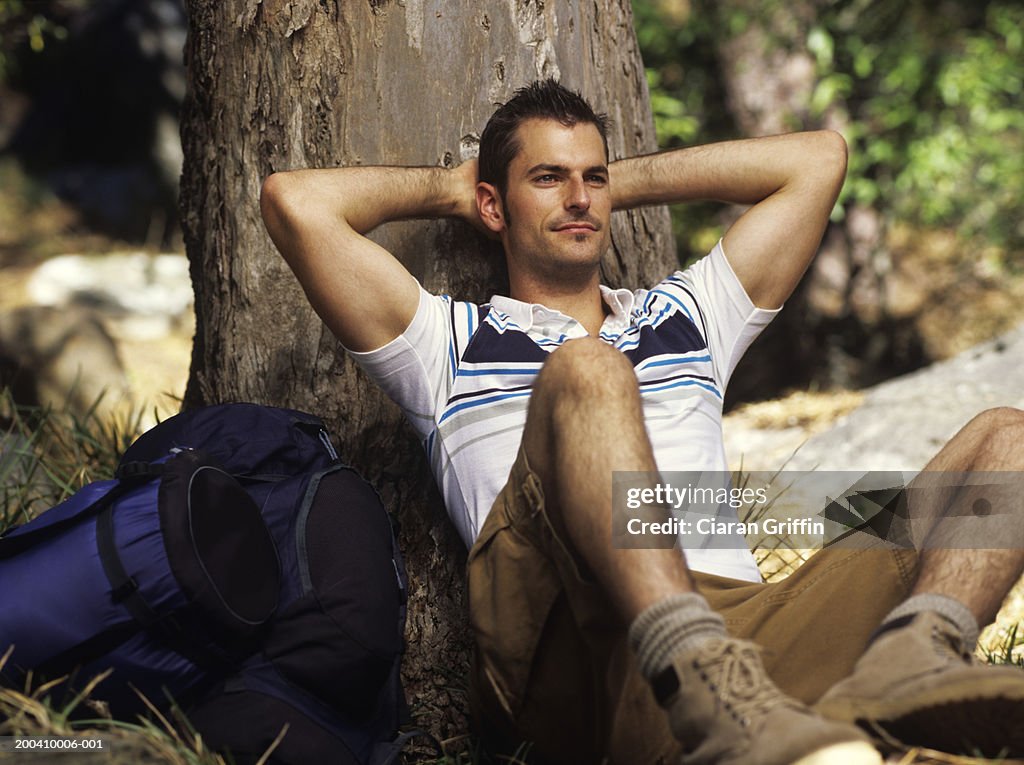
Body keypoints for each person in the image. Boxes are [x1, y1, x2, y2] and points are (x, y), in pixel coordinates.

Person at [259, 79, 1024, 765]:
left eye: (594, 178)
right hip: (570, 641)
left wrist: (618, 180)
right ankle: (690, 668)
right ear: (495, 205)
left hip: (747, 632)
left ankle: (916, 657)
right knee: (588, 369)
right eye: (548, 179)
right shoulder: (445, 345)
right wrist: (456, 188)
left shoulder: (687, 316)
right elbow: (295, 201)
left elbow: (818, 159)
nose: (580, 198)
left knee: (1006, 438)